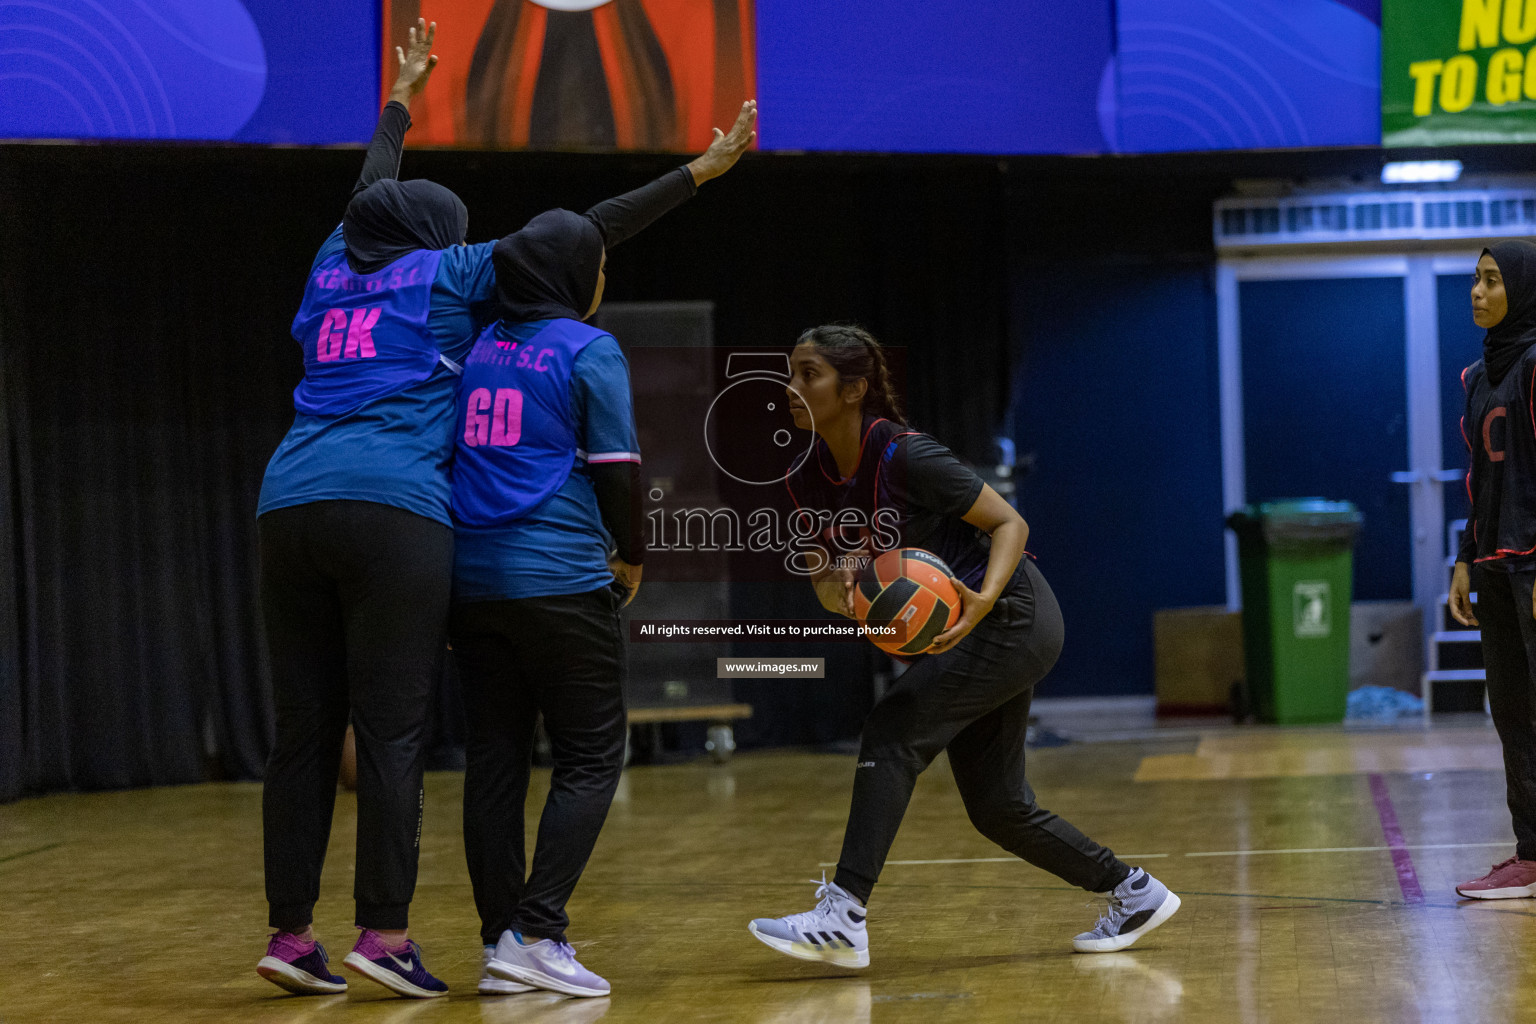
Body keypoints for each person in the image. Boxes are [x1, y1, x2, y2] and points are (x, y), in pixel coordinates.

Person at [253, 17, 756, 996]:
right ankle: (384, 935)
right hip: (393, 510)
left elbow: (369, 190)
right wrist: (698, 171)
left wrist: (400, 99)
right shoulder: (448, 274)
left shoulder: (328, 264)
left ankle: (288, 934)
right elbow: (582, 232)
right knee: (393, 732)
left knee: (302, 732)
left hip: (287, 502)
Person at [746, 325, 1180, 967]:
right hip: (975, 628)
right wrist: (838, 588)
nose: (791, 387)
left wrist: (978, 602)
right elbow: (821, 581)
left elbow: (1010, 522)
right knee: (998, 807)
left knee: (892, 731)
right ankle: (1133, 891)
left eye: (808, 374)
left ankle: (844, 915)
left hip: (1011, 613)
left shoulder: (905, 457)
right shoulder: (805, 478)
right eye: (790, 373)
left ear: (854, 388)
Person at [451, 106, 757, 999]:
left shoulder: (473, 347)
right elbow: (620, 471)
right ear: (575, 279)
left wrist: (699, 170)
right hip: (559, 579)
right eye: (600, 265)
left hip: (472, 584)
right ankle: (541, 932)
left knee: (497, 761)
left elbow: (590, 224)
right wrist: (634, 556)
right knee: (592, 755)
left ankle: (502, 941)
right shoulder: (589, 349)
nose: (605, 270)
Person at [1451, 240, 1536, 900]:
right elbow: (1479, 478)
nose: (1478, 291)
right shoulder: (1480, 377)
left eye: (1491, 280)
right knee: (1511, 708)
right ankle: (1531, 855)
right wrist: (1462, 556)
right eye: (1476, 280)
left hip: (1533, 564)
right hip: (1492, 563)